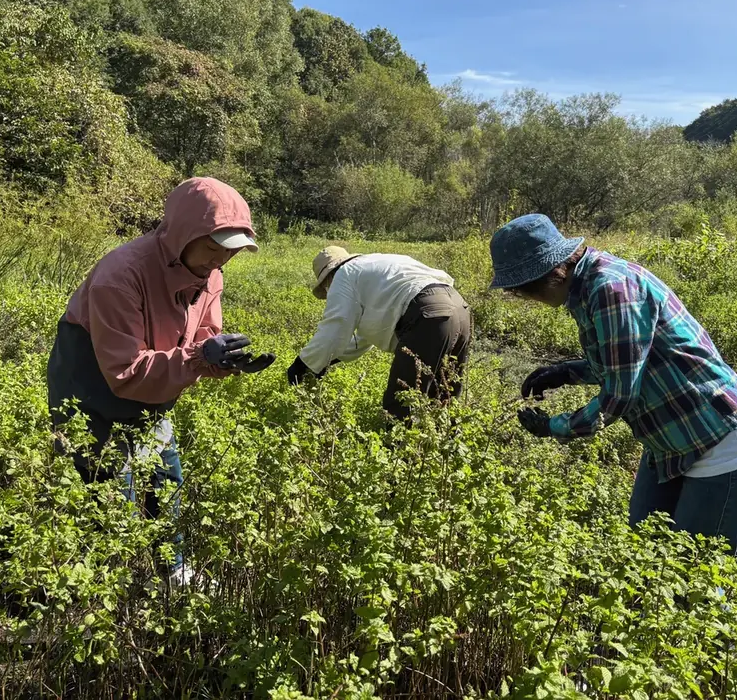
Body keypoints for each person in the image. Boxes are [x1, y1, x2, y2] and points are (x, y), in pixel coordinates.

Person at [489, 214, 737, 554]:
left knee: (693, 575)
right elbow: (626, 359)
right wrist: (567, 372)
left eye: (523, 290)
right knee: (643, 553)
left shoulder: (611, 289)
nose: (525, 298)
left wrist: (555, 426)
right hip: (673, 441)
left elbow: (620, 395)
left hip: (720, 441)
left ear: (550, 274)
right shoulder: (587, 288)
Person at [47, 177, 274, 585]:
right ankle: (107, 585)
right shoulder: (120, 276)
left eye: (230, 251)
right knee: (108, 486)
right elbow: (126, 372)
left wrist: (220, 357)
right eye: (212, 246)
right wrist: (196, 358)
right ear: (183, 233)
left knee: (164, 477)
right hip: (90, 386)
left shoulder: (209, 274)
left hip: (156, 383)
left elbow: (203, 333)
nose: (220, 260)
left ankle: (173, 571)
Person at [287, 247, 472, 420]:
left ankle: (399, 451)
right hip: (460, 310)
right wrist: (325, 360)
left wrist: (303, 364)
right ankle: (442, 450)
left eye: (326, 288)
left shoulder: (344, 274)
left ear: (329, 277)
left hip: (428, 316)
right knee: (443, 398)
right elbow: (363, 337)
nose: (329, 291)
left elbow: (336, 327)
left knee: (400, 404)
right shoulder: (373, 266)